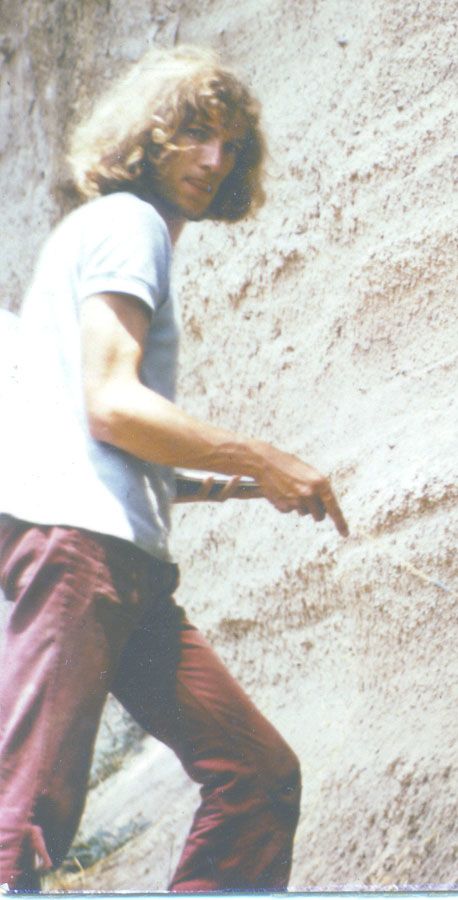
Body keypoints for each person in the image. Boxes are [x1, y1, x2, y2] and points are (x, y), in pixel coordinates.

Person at [0, 45, 348, 892]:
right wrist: (262, 457)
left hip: (119, 563)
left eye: (229, 144)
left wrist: (215, 482)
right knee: (23, 824)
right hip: (82, 553)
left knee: (257, 777)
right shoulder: (129, 225)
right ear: (148, 139)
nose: (213, 160)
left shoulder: (94, 236)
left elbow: (79, 427)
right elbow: (112, 404)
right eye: (194, 133)